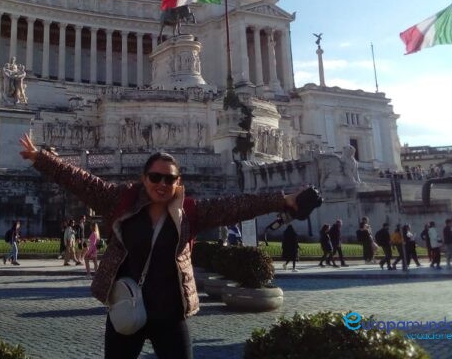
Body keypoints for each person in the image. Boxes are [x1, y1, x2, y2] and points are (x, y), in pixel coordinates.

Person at [18, 133, 318, 359]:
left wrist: (282, 200)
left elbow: (236, 206)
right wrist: (40, 158)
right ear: (143, 178)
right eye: (155, 177)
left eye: (169, 178)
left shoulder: (190, 212)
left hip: (170, 313)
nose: (161, 183)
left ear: (178, 181)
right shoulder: (120, 200)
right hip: (127, 306)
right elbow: (81, 180)